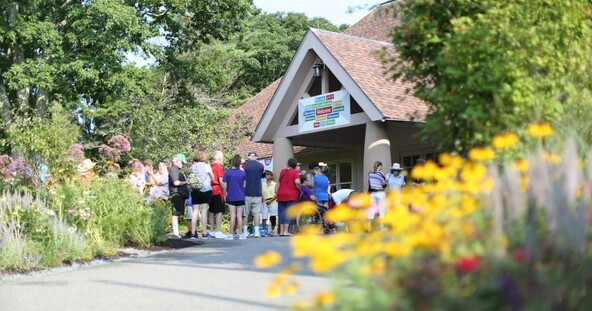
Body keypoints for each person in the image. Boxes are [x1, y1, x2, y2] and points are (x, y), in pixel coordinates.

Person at [187, 150, 214, 240]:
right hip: (205, 190)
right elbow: (213, 178)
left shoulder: (192, 167)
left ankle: (193, 233)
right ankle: (205, 232)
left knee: (195, 212)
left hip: (195, 190)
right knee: (204, 211)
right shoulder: (207, 166)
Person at [223, 155, 247, 240]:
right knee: (239, 216)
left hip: (231, 196)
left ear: (232, 162)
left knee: (233, 216)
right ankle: (241, 234)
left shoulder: (227, 172)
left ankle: (231, 234)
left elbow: (225, 185)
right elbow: (244, 185)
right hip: (240, 196)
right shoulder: (243, 173)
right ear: (240, 163)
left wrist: (224, 194)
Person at [276, 158, 301, 237]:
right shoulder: (295, 172)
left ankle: (281, 231)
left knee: (281, 212)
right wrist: (299, 188)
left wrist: (277, 192)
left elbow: (279, 183)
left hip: (281, 194)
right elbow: (297, 182)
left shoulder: (283, 171)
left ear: (288, 164)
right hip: (291, 194)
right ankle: (286, 231)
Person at [242, 151, 264, 238]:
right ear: (256, 157)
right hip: (257, 192)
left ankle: (245, 232)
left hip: (246, 192)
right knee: (257, 213)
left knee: (245, 214)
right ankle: (256, 232)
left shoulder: (244, 165)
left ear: (248, 157)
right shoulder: (260, 166)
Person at [168, 154, 189, 238]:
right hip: (176, 194)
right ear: (177, 161)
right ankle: (175, 233)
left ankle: (177, 232)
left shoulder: (178, 170)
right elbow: (176, 182)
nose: (182, 164)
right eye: (181, 162)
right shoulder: (173, 170)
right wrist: (186, 182)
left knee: (178, 213)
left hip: (180, 194)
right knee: (175, 213)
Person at [209, 151, 226, 239]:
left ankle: (211, 231)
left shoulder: (210, 166)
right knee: (219, 211)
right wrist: (225, 191)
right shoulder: (219, 167)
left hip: (210, 190)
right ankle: (218, 231)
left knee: (211, 211)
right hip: (218, 190)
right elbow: (221, 180)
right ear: (219, 158)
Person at [262, 170, 278, 237]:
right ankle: (264, 230)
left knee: (272, 217)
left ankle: (272, 230)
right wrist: (263, 200)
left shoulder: (274, 184)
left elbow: (277, 194)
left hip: (273, 201)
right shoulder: (263, 184)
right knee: (264, 217)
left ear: (271, 176)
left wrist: (271, 201)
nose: (266, 175)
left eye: (268, 174)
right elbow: (261, 193)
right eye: (265, 174)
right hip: (265, 202)